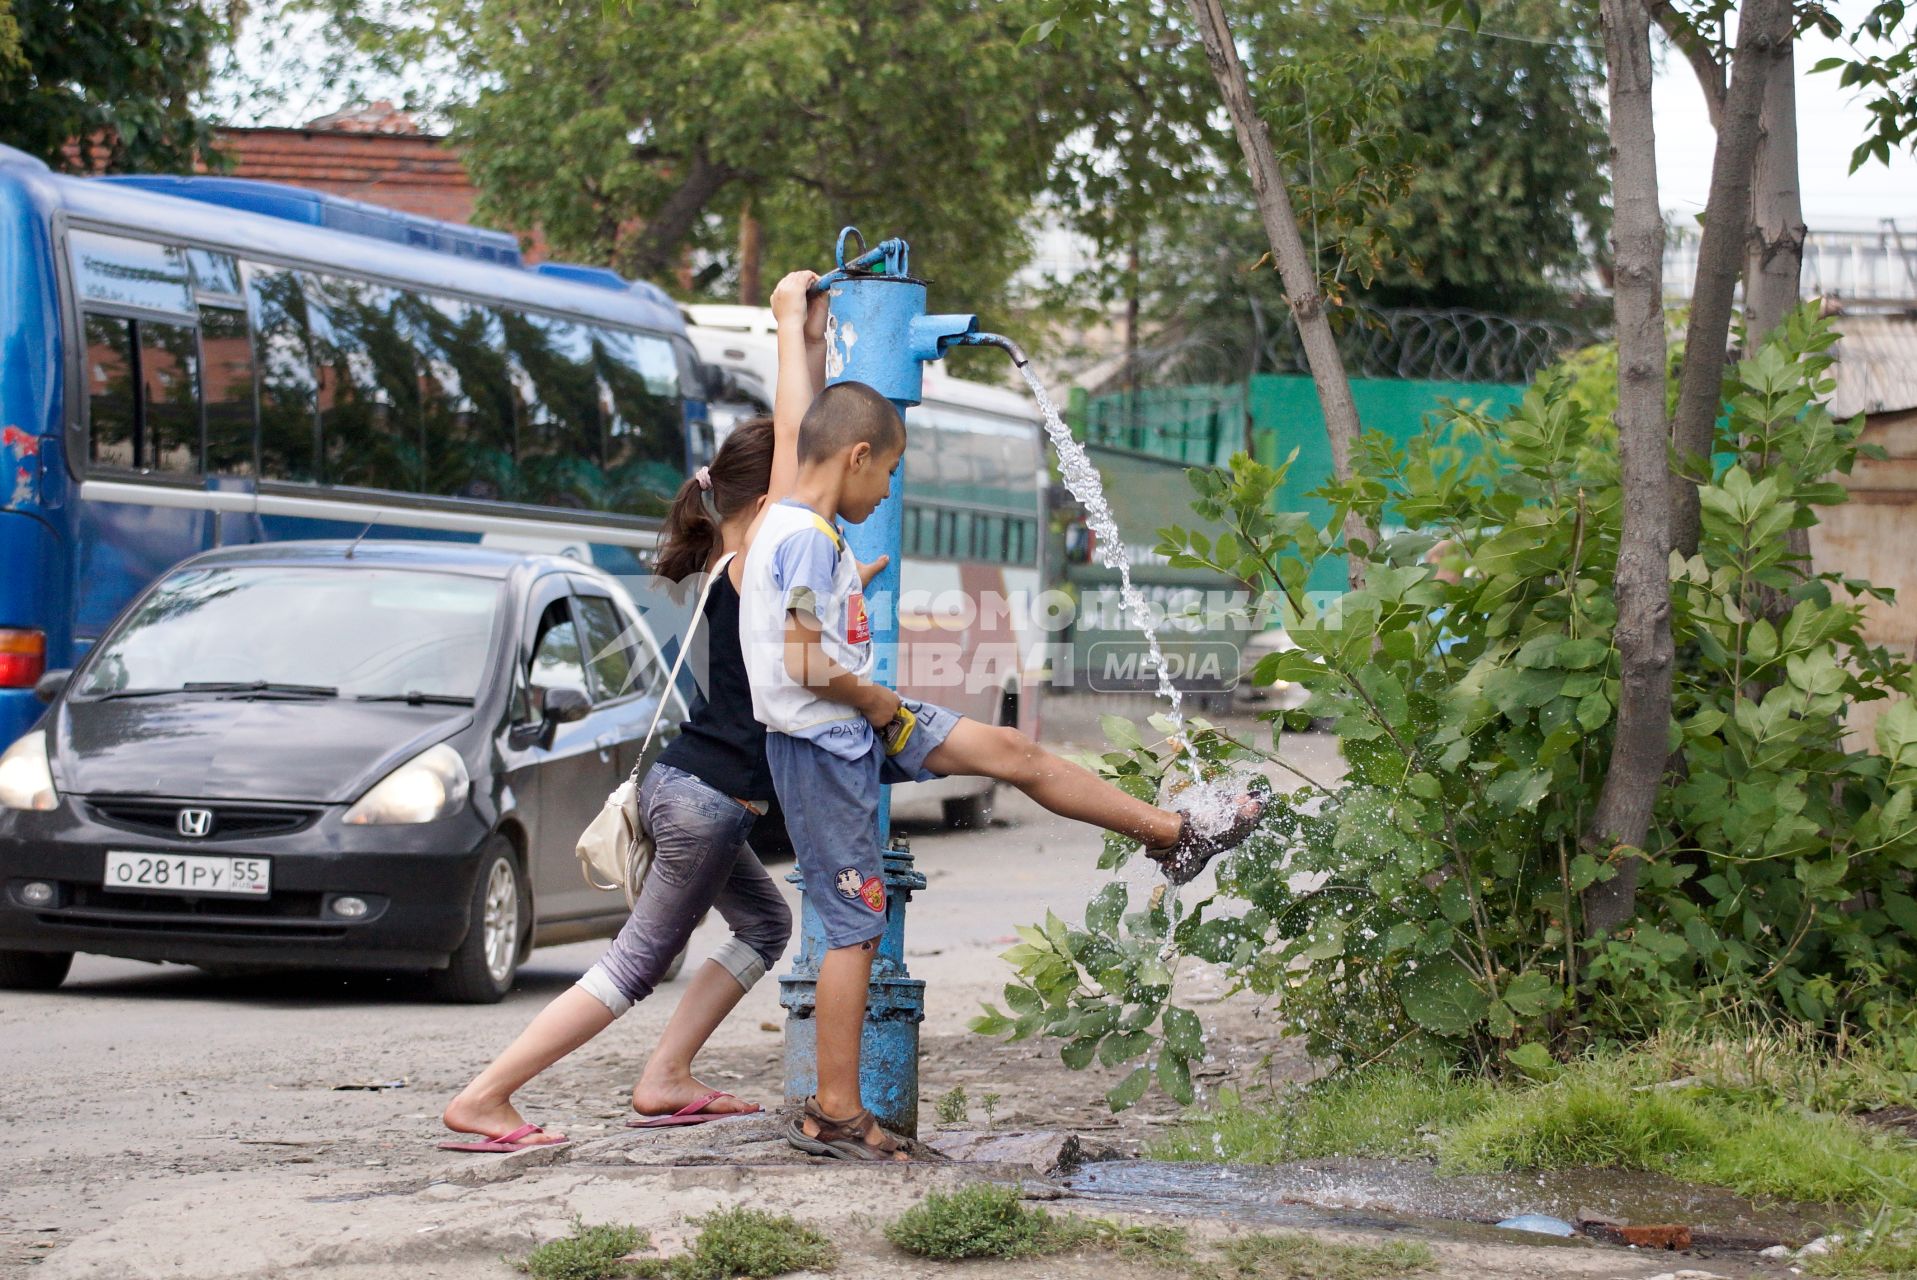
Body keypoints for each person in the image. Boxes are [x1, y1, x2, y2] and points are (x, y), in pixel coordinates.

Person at [739, 381, 1267, 1162]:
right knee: (854, 929)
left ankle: (1175, 835)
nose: (887, 487)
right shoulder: (806, 535)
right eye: (887, 471)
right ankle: (836, 1113)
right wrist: (877, 700)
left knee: (1012, 753)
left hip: (852, 725)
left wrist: (858, 601)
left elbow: (807, 631)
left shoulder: (791, 522)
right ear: (856, 457)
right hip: (830, 739)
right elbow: (806, 663)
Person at [438, 271, 837, 1151]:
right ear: (766, 495)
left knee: (765, 925)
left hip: (687, 785)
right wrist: (784, 327)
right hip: (705, 800)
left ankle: (665, 1077)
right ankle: (485, 1096)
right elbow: (799, 445)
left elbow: (795, 452)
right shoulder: (756, 556)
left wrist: (811, 340)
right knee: (634, 961)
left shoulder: (736, 567)